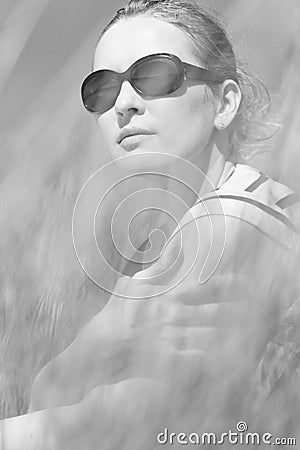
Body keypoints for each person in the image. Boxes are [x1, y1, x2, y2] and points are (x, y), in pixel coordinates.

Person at [1, 1, 300, 448]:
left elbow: (122, 422)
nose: (123, 104)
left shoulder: (238, 221)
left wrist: (105, 338)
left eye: (156, 76)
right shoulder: (181, 236)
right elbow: (48, 393)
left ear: (225, 103)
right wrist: (109, 333)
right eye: (101, 89)